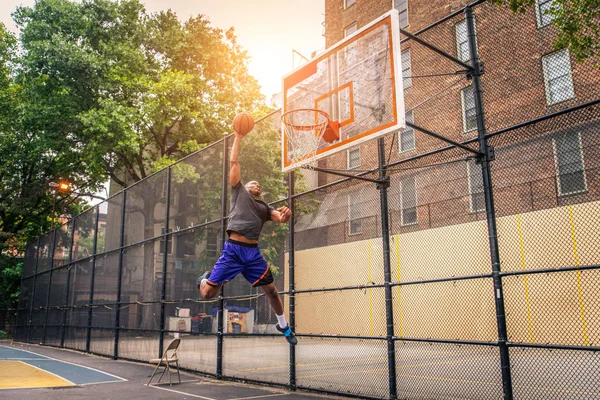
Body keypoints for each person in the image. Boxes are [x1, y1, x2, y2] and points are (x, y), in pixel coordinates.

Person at [197, 129, 297, 345]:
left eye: (259, 185)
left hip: (252, 255)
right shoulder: (238, 191)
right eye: (254, 183)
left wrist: (287, 215)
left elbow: (279, 218)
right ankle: (203, 279)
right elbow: (234, 162)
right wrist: (238, 138)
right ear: (246, 185)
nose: (257, 185)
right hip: (233, 251)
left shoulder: (264, 207)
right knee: (207, 294)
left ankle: (283, 325)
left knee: (271, 290)